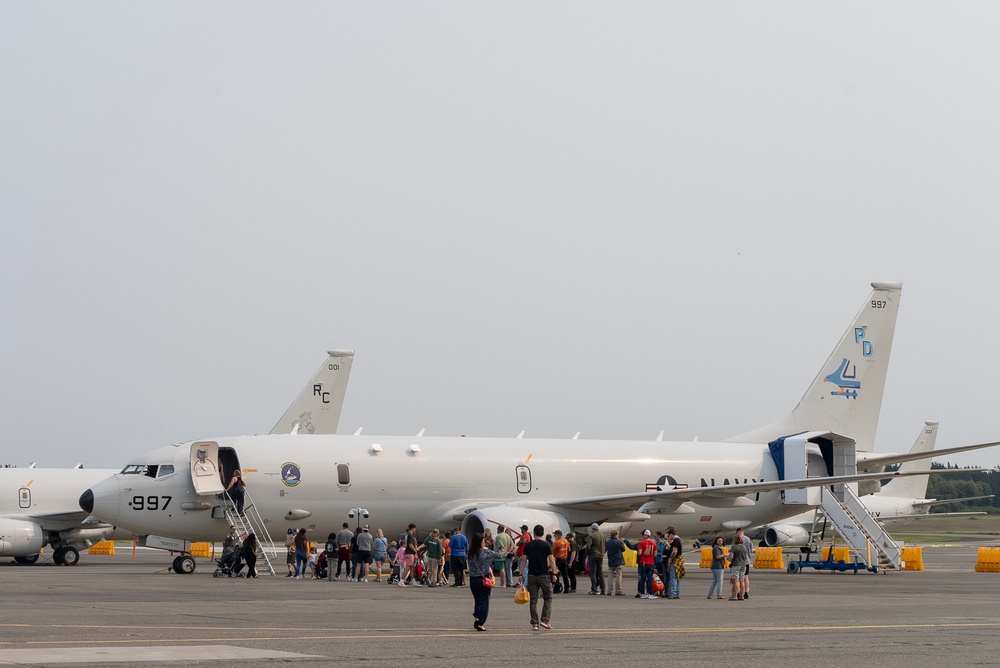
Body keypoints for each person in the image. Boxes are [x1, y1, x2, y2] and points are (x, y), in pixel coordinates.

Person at [467, 532, 510, 632]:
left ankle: (477, 616)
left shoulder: (470, 552)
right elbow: (500, 555)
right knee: (484, 601)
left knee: (477, 599)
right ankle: (481, 622)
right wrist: (503, 550)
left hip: (473, 579)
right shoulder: (486, 552)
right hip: (483, 579)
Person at [520, 524, 557, 630]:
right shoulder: (546, 545)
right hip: (543, 574)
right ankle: (545, 620)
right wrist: (554, 573)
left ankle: (535, 623)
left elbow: (523, 560)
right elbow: (551, 560)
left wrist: (520, 574)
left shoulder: (528, 545)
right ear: (543, 533)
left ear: (534, 533)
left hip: (531, 575)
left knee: (533, 599)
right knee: (548, 597)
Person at [633, 529, 657, 599]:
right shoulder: (653, 543)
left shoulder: (642, 543)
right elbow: (655, 554)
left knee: (642, 578)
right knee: (649, 578)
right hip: (651, 562)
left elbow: (639, 553)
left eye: (643, 535)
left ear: (646, 535)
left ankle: (642, 593)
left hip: (643, 562)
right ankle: (650, 593)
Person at [585, 523, 606, 595]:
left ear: (592, 529)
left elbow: (588, 546)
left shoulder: (591, 535)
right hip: (600, 555)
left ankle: (594, 589)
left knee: (593, 572)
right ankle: (603, 589)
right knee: (600, 573)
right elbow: (605, 546)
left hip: (593, 555)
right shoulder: (603, 535)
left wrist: (587, 553)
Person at [605, 529, 627, 596]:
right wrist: (622, 542)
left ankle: (609, 591)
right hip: (618, 560)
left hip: (611, 560)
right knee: (618, 576)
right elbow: (623, 549)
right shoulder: (618, 542)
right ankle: (618, 590)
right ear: (616, 535)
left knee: (610, 576)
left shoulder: (608, 542)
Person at [728, 533, 748, 601]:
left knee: (735, 580)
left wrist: (728, 558)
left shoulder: (734, 547)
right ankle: (742, 596)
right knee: (742, 580)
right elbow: (746, 557)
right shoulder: (744, 547)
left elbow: (731, 557)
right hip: (743, 565)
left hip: (736, 564)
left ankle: (735, 596)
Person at [737, 526, 755, 599]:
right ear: (743, 532)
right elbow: (751, 550)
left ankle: (738, 592)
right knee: (746, 577)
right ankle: (746, 592)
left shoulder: (736, 538)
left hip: (738, 561)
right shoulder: (748, 539)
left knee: (738, 578)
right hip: (747, 561)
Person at [665, 526, 683, 599]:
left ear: (671, 534)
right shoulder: (678, 540)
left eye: (669, 535)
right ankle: (677, 593)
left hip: (675, 560)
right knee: (677, 577)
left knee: (673, 578)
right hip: (679, 560)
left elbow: (674, 551)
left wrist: (670, 558)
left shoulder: (675, 540)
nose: (669, 537)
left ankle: (672, 593)